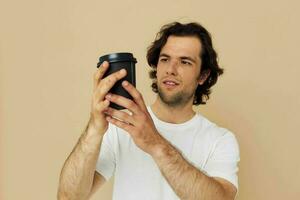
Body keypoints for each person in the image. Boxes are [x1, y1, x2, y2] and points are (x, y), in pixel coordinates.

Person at [58, 22, 240, 200]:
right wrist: (94, 128)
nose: (171, 69)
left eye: (184, 62)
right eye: (165, 59)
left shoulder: (220, 140)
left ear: (203, 75)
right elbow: (68, 197)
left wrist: (155, 143)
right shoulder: (122, 124)